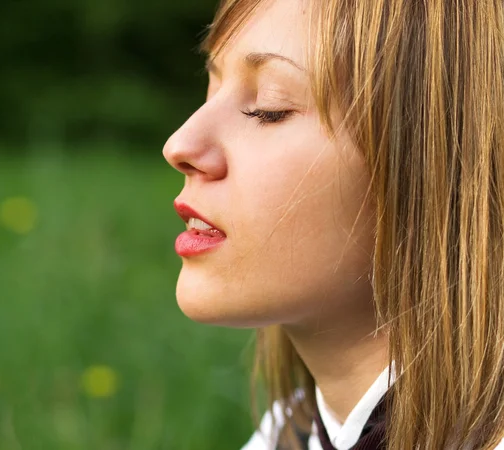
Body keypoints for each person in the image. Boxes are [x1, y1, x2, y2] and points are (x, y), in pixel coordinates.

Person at [162, 0, 504, 448]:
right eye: (213, 85)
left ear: (435, 164)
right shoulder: (285, 435)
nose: (180, 144)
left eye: (269, 107)